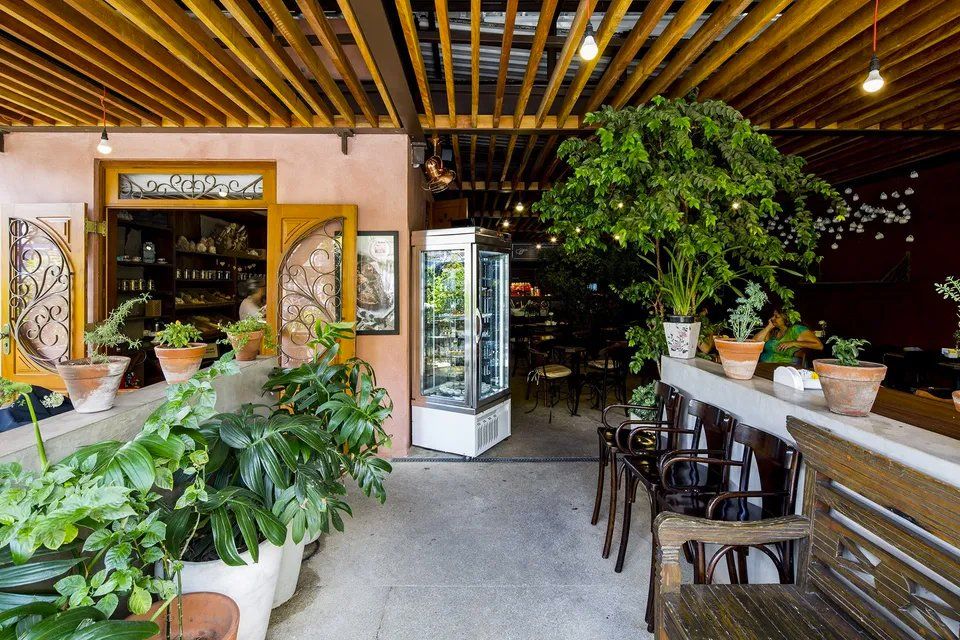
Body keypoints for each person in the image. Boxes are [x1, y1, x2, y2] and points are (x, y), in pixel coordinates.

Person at [753, 307, 823, 365]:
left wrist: (793, 343)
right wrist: (769, 327)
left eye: (776, 316)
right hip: (763, 367)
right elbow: (754, 343)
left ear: (786, 319)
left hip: (786, 370)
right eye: (773, 316)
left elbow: (819, 345)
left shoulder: (796, 329)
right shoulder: (773, 330)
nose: (772, 318)